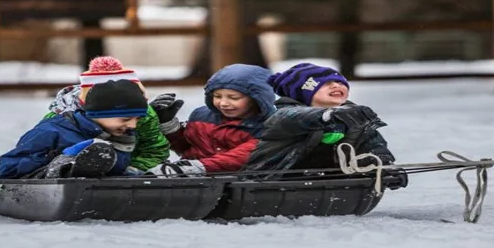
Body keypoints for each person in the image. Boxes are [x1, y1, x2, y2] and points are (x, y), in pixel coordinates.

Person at [244, 62, 407, 189]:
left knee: (361, 131)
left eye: (339, 82)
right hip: (270, 182)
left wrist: (385, 167)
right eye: (325, 83)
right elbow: (294, 117)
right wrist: (326, 116)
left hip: (334, 185)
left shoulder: (352, 116)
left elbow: (374, 144)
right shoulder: (283, 114)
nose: (336, 85)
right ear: (302, 93)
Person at [0, 79, 150, 179]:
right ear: (97, 114)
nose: (133, 125)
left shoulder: (122, 135)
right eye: (125, 119)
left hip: (94, 198)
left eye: (137, 119)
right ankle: (63, 169)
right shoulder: (52, 131)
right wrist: (54, 157)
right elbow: (7, 169)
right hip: (47, 195)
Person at [144, 63, 277, 176]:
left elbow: (239, 158)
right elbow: (186, 146)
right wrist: (168, 125)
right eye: (217, 96)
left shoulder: (268, 126)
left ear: (257, 99)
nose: (223, 103)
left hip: (238, 183)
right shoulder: (202, 116)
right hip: (193, 182)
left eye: (233, 98)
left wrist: (190, 168)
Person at [45, 56, 170, 173]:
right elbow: (38, 153)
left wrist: (132, 170)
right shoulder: (59, 119)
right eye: (125, 118)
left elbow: (155, 149)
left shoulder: (144, 115)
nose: (132, 124)